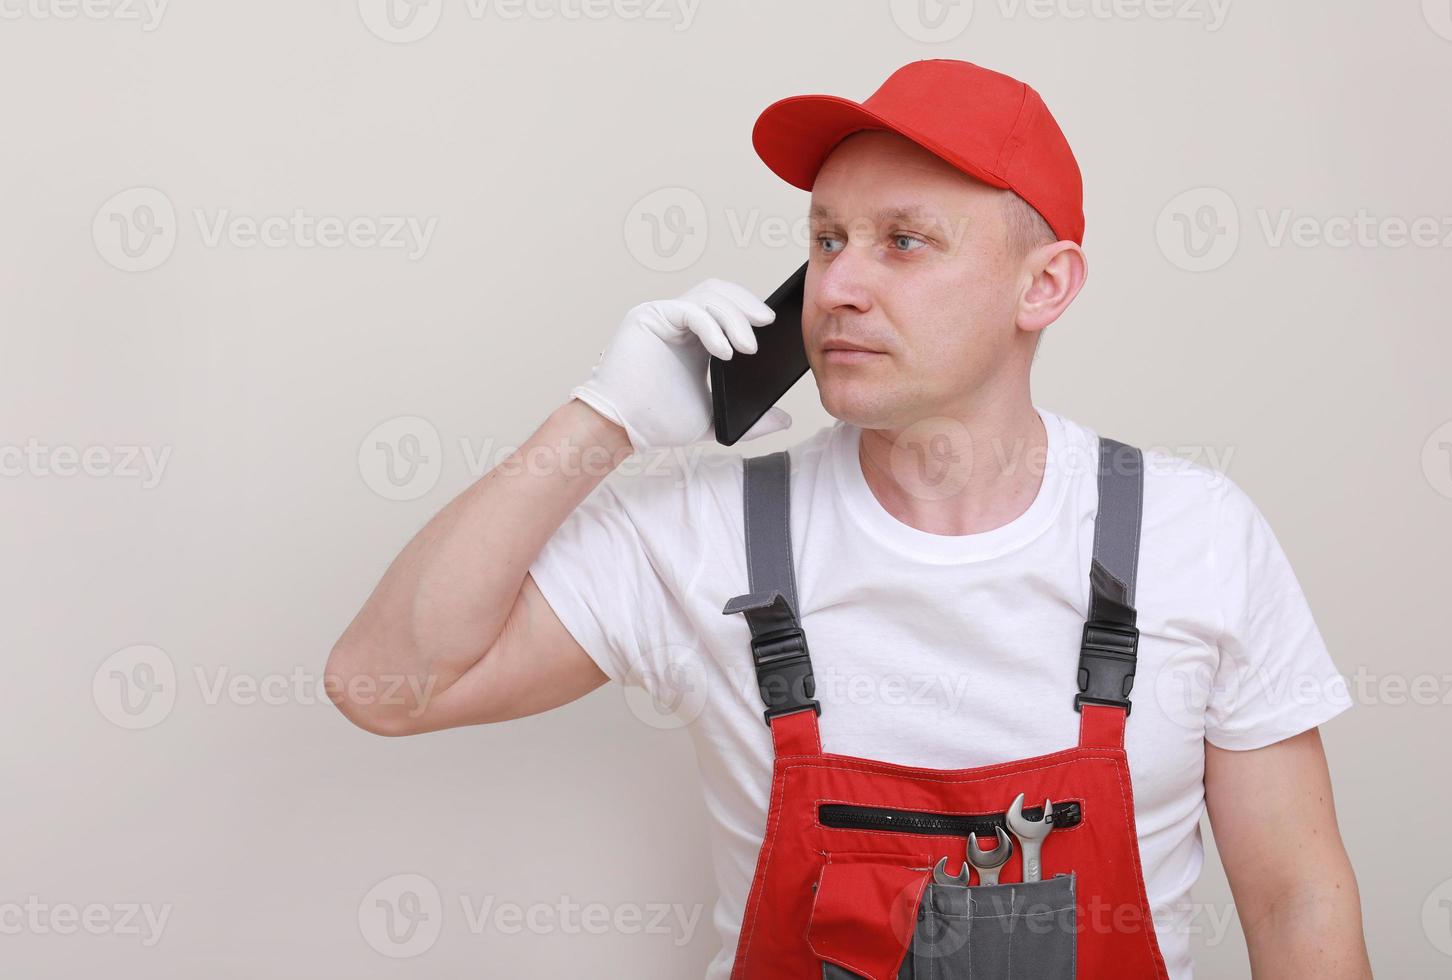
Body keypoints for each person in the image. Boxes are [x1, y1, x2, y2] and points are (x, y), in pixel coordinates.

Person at [327, 59, 1372, 978]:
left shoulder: (1195, 534)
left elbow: (1295, 902)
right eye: (826, 240)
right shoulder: (705, 532)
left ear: (1043, 286)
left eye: (903, 241)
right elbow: (387, 684)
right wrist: (600, 419)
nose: (838, 287)